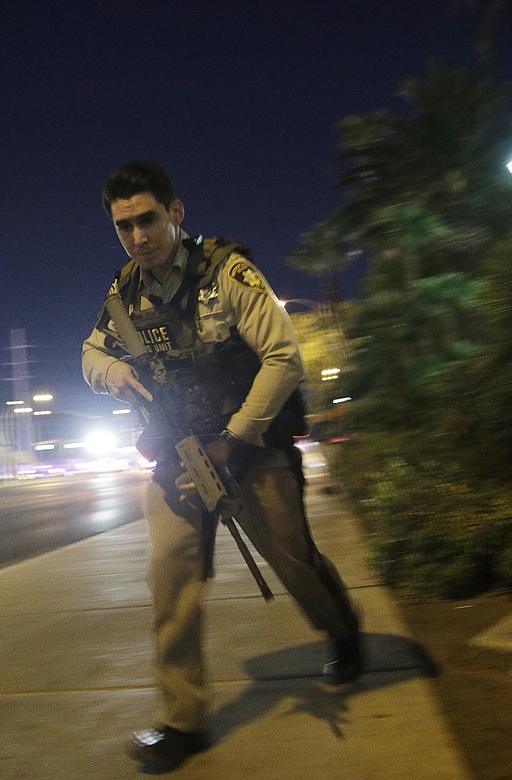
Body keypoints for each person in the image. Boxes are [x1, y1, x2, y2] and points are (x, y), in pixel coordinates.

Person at [82, 160, 364, 772]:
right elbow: (90, 352)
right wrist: (113, 372)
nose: (138, 237)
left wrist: (234, 439)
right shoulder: (123, 294)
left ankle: (342, 631)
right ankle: (183, 722)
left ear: (175, 213)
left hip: (252, 449)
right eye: (124, 226)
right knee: (170, 577)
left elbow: (283, 357)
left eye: (148, 219)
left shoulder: (226, 273)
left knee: (293, 559)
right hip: (176, 456)